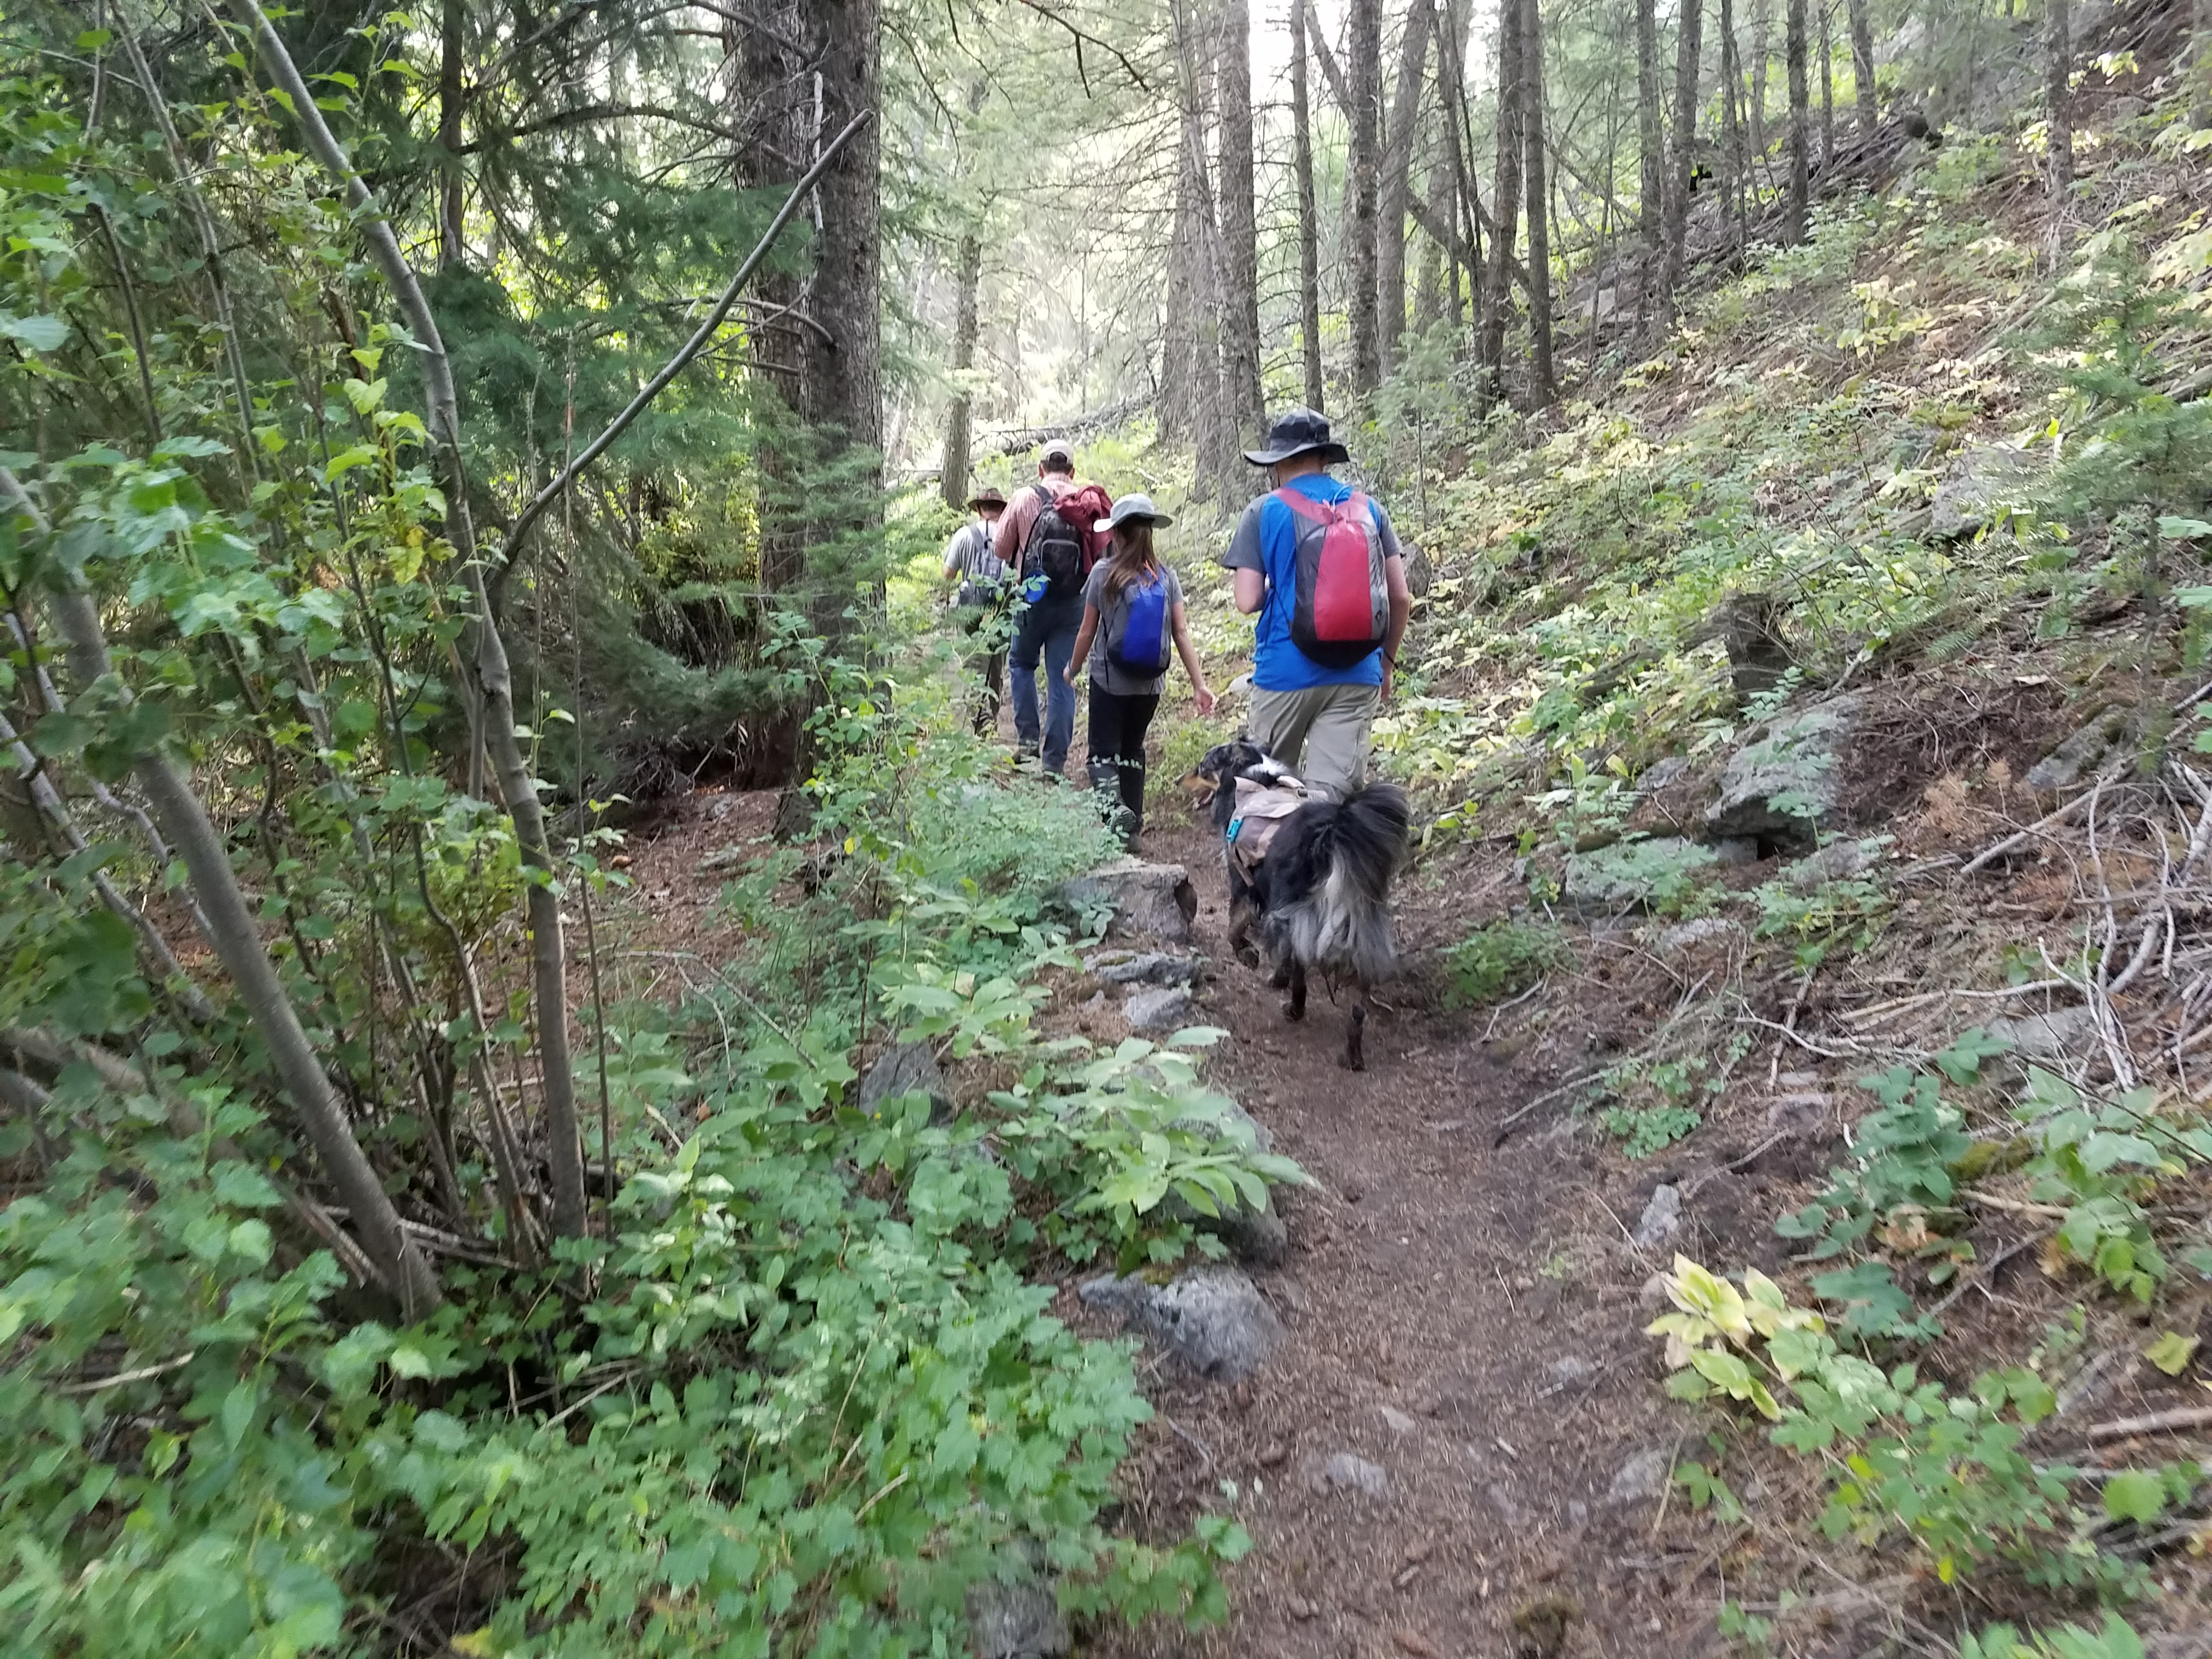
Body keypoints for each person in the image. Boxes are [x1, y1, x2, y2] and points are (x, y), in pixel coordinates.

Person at [1220, 408, 1412, 800]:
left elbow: (1247, 599)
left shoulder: (1262, 511)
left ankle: (1269, 862)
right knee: (1329, 803)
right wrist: (1386, 665)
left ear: (1278, 463)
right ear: (1325, 458)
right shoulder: (1370, 510)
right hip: (1358, 674)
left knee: (1265, 797)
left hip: (1284, 674)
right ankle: (1325, 863)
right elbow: (1400, 597)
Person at [1065, 494, 1215, 849]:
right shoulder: (1166, 577)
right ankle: (1133, 830)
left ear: (1116, 533)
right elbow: (1180, 633)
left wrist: (1072, 668)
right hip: (1150, 686)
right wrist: (1200, 685)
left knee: (1102, 754)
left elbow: (1087, 630)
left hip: (1108, 681)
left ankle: (1114, 815)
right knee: (1133, 750)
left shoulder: (1104, 573)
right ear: (1150, 532)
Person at [993, 440, 1091, 775]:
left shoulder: (1024, 497)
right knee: (1064, 676)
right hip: (1073, 601)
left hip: (1031, 597)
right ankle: (1054, 763)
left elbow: (1000, 550)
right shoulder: (1085, 502)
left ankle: (1028, 744)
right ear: (1072, 471)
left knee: (1021, 663)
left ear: (1041, 468)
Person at [941, 486, 1010, 733]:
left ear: (980, 509)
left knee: (973, 666)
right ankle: (989, 722)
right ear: (1002, 510)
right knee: (996, 667)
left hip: (971, 610)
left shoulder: (964, 535)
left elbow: (948, 575)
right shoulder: (1010, 534)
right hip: (1002, 610)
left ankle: (973, 721)